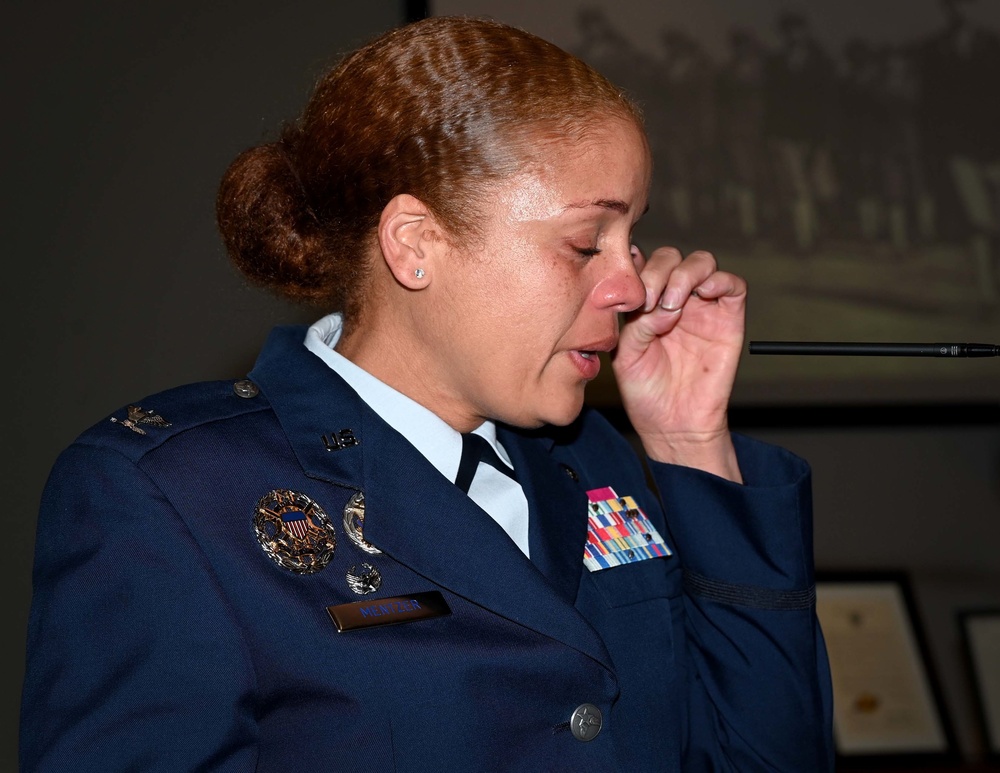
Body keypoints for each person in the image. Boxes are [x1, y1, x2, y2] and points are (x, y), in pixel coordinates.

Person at [20, 16, 833, 772]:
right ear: (416, 245)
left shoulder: (589, 461)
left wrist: (692, 442)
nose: (628, 284)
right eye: (586, 242)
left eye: (632, 237)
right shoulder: (173, 491)